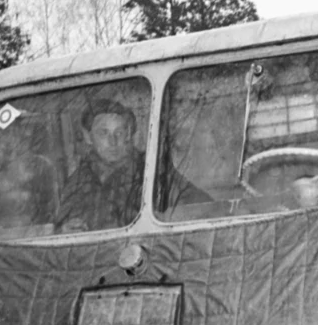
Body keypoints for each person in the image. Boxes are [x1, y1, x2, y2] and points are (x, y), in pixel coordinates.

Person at [56, 98, 207, 232]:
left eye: (119, 133)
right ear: (88, 137)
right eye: (103, 133)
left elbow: (200, 205)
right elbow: (59, 225)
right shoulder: (78, 181)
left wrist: (166, 219)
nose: (113, 142)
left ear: (128, 134)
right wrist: (64, 231)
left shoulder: (150, 170)